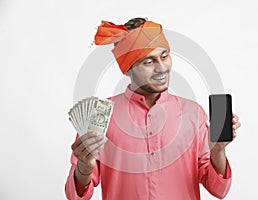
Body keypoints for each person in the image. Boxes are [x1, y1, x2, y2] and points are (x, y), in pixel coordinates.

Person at [65, 17, 241, 200]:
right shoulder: (99, 116)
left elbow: (219, 190)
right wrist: (83, 168)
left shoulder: (194, 114)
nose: (161, 68)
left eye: (164, 56)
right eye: (148, 62)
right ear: (127, 69)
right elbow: (75, 196)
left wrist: (218, 150)